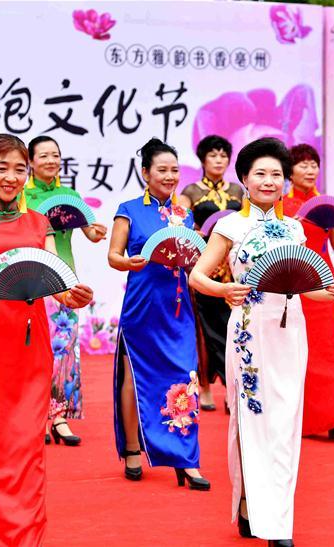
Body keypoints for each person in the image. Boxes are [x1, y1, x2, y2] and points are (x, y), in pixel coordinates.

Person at [190, 137, 334, 546]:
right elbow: (198, 277)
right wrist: (224, 290)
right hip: (248, 331)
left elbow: (302, 284)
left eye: (276, 174)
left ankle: (263, 509)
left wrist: (330, 292)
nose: (268, 181)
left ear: (285, 181)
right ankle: (267, 518)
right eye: (260, 173)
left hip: (290, 330)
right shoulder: (229, 226)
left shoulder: (295, 227)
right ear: (244, 178)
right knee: (252, 419)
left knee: (284, 424)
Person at [0, 133, 93, 546]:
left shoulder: (38, 222)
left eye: (18, 169)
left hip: (32, 344)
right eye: (1, 168)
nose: (11, 177)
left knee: (28, 448)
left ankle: (28, 538)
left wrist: (72, 295)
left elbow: (55, 281)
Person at [107, 138, 208, 490]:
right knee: (134, 378)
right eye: (161, 170)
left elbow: (194, 255)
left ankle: (185, 458)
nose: (169, 176)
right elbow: (114, 256)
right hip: (143, 304)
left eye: (174, 170)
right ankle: (133, 448)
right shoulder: (129, 209)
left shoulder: (184, 214)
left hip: (177, 306)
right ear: (145, 173)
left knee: (185, 377)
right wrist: (131, 262)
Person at [24, 136, 107, 445]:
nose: (50, 160)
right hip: (29, 279)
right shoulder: (21, 194)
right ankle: (33, 416)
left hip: (64, 278)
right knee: (31, 350)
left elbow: (88, 230)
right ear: (30, 161)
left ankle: (59, 417)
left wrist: (96, 233)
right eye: (43, 155)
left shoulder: (68, 194)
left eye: (55, 155)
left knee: (65, 348)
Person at [283, 144, 334, 439]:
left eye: (314, 164)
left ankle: (333, 415)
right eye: (302, 165)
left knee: (328, 348)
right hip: (293, 276)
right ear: (290, 171)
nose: (310, 170)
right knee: (297, 348)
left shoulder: (326, 204)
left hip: (323, 275)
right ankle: (301, 418)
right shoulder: (282, 205)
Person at [177, 135, 243, 411]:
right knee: (203, 329)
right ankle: (204, 387)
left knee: (233, 326)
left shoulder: (239, 192)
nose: (219, 160)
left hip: (234, 267)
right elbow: (178, 225)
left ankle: (232, 387)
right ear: (203, 160)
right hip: (202, 266)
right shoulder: (190, 192)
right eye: (213, 155)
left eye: (223, 155)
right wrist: (195, 233)